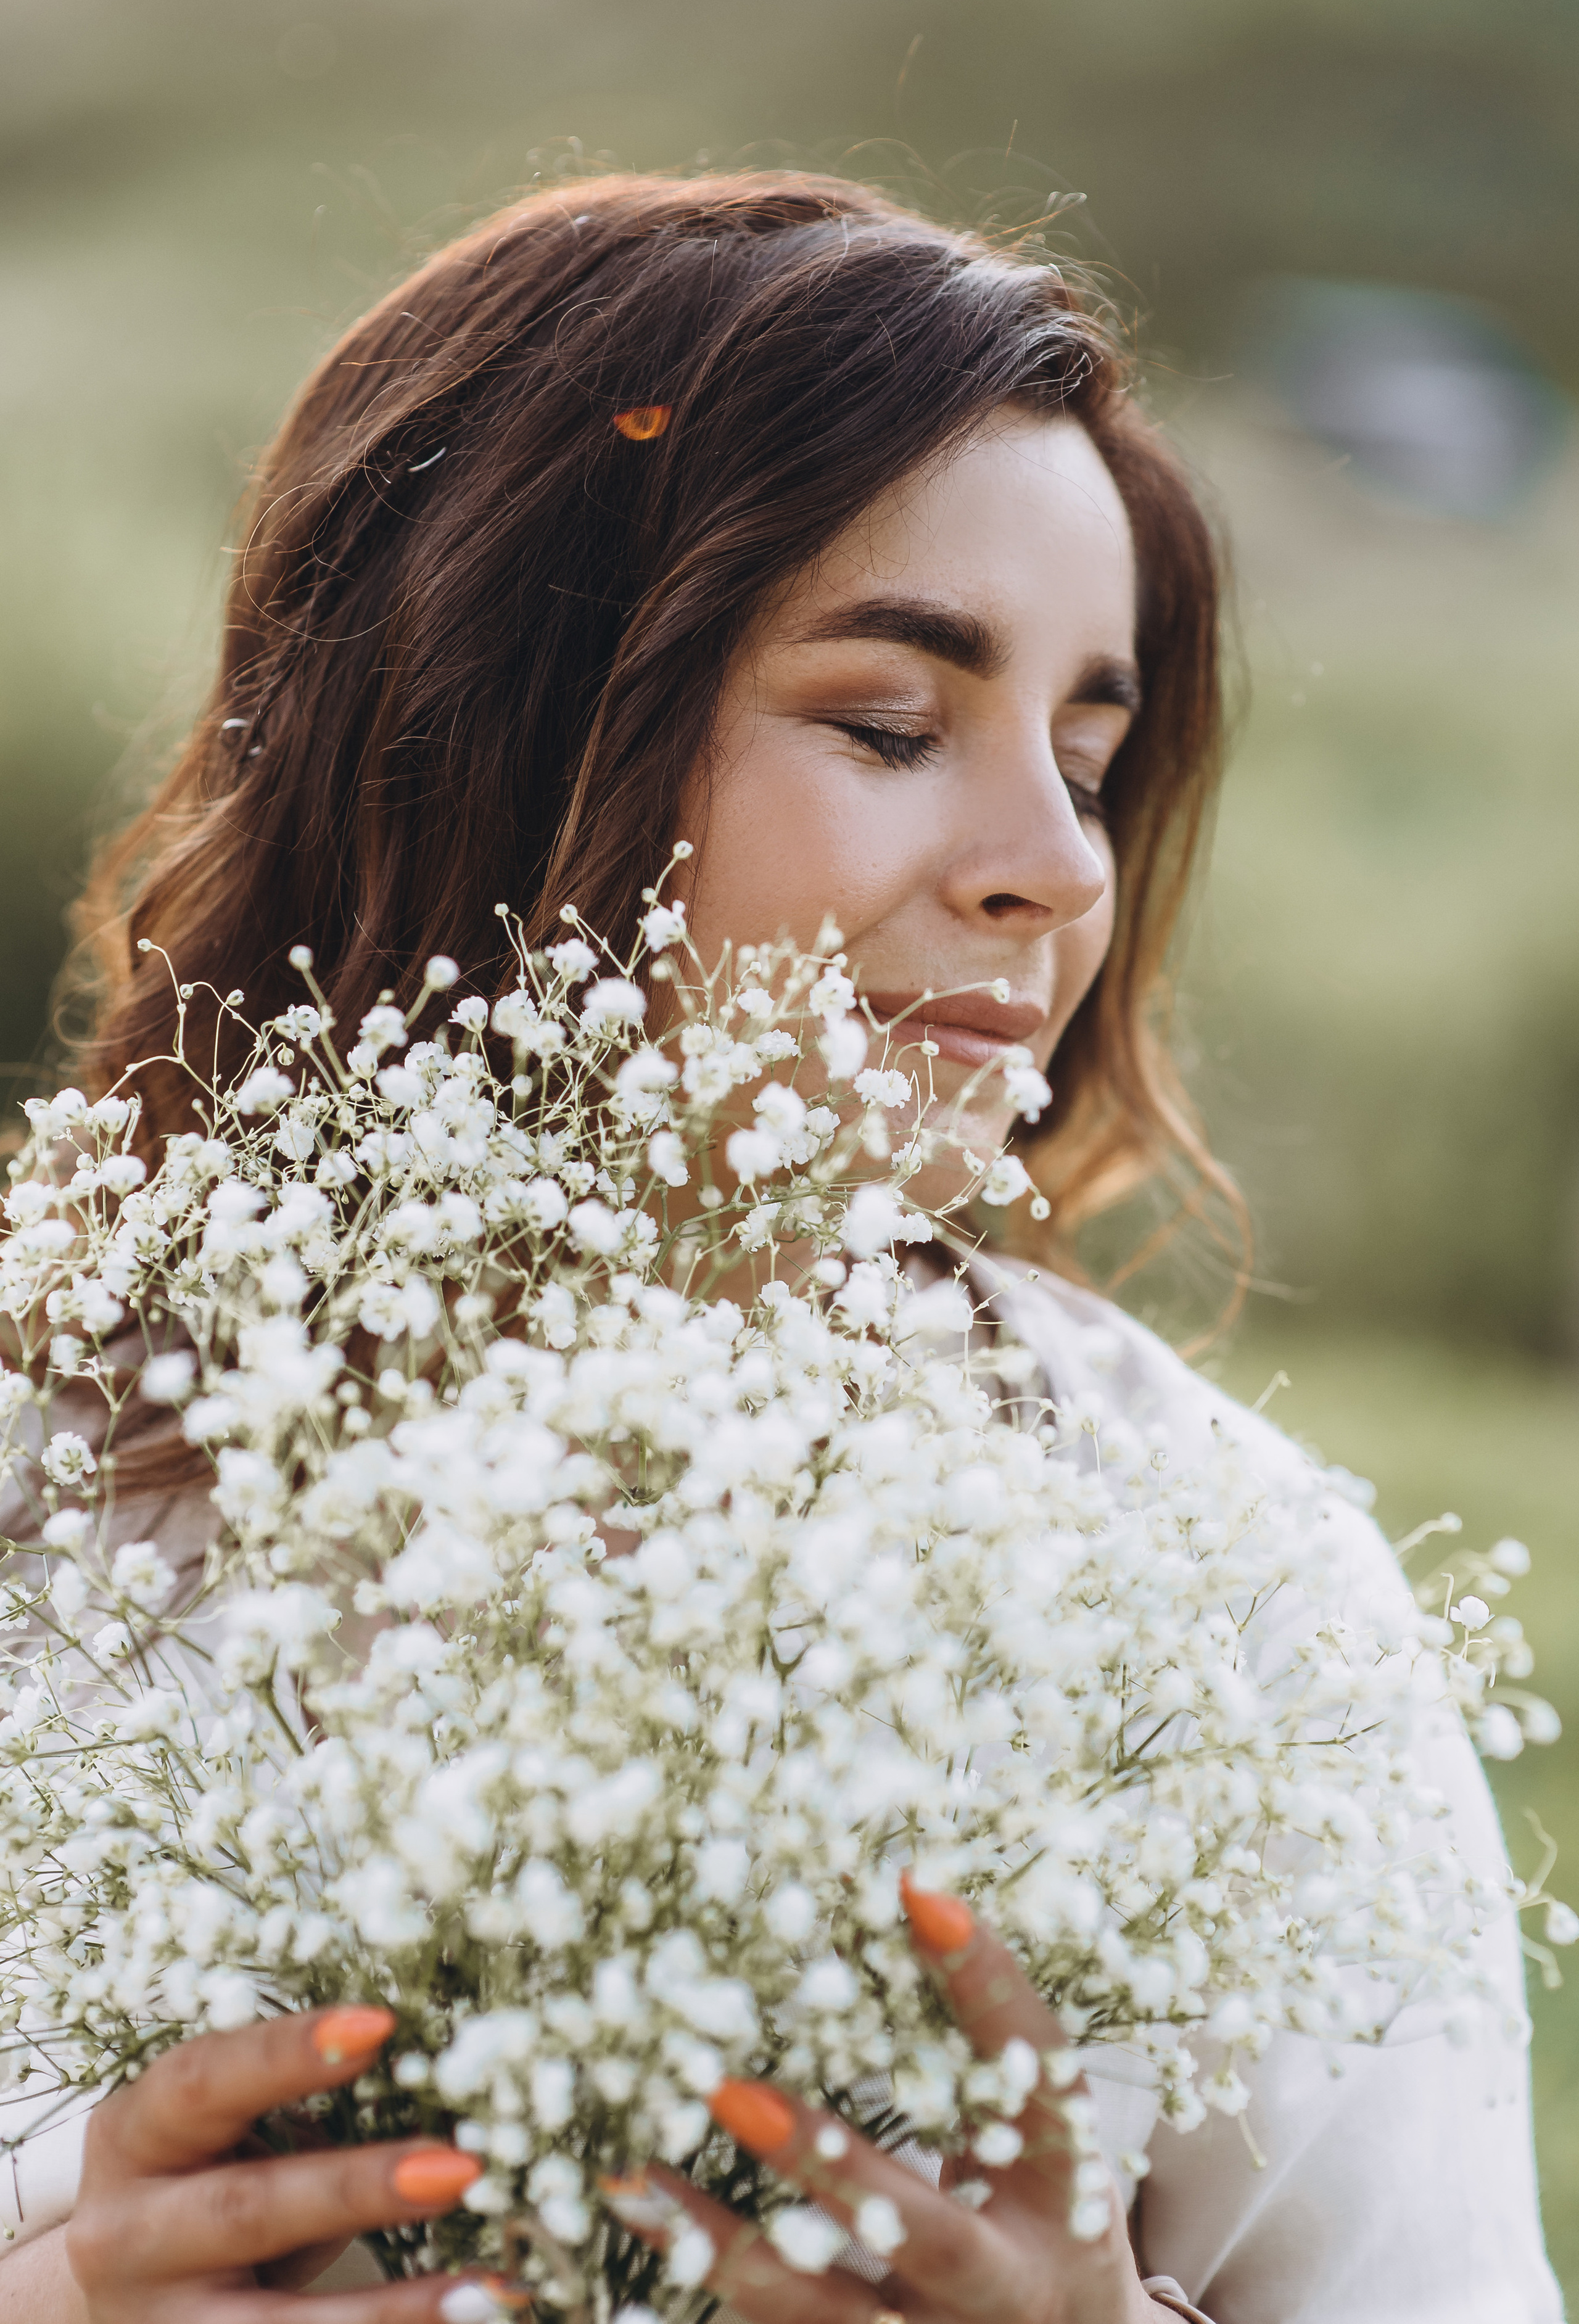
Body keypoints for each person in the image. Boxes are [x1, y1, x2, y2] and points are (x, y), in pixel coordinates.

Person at [0, 173, 1559, 2322]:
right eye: (895, 728)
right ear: (502, 727)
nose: (1050, 871)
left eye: (1093, 766)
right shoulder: (54, 1493)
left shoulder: (1214, 1590)